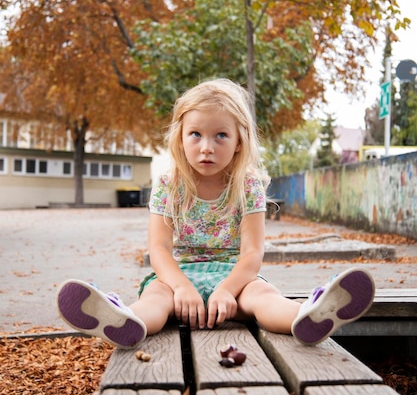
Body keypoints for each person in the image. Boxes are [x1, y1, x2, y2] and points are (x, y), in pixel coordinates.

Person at [56, 78, 375, 348]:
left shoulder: (247, 184)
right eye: (196, 134)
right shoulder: (169, 184)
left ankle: (308, 316)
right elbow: (159, 249)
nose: (206, 146)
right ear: (180, 138)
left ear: (239, 141)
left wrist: (226, 290)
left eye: (220, 135)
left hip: (235, 280)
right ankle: (125, 320)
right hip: (178, 280)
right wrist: (181, 287)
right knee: (156, 297)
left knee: (263, 297)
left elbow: (252, 254)